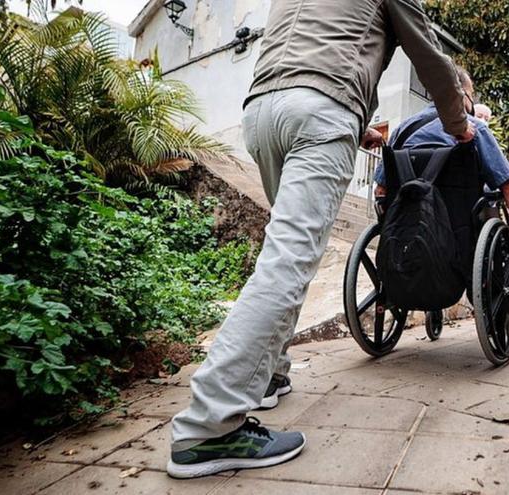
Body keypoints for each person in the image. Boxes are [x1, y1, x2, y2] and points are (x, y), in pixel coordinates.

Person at [166, 1, 476, 479]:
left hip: (263, 112)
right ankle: (207, 427)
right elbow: (430, 57)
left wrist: (359, 127)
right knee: (288, 263)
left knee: (282, 257)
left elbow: (307, 55)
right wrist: (458, 124)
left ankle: (267, 374)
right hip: (319, 113)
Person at [374, 68, 509, 265]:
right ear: (463, 95)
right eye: (472, 95)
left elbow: (381, 189)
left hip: (406, 229)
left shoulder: (402, 129)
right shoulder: (475, 128)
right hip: (459, 235)